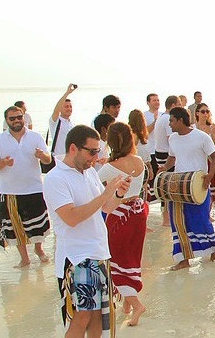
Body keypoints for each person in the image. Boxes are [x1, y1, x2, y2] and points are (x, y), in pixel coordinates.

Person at [43, 125, 132, 338]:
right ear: (73, 148)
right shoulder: (56, 178)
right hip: (76, 257)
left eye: (97, 151)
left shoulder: (89, 172)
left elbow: (106, 208)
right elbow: (71, 218)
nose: (95, 157)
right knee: (81, 317)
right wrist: (105, 195)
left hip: (99, 253)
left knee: (99, 317)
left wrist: (118, 194)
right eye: (91, 152)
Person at [97, 122, 149, 326]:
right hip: (138, 212)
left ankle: (136, 305)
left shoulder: (110, 167)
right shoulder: (139, 161)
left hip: (120, 213)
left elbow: (94, 182)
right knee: (131, 258)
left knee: (116, 260)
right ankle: (127, 305)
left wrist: (103, 165)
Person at [0, 106, 52, 268]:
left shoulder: (35, 137)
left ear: (24, 118)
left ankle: (39, 249)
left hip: (34, 188)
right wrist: (3, 163)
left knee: (37, 225)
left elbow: (48, 160)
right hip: (8, 191)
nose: (16, 121)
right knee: (15, 228)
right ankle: (25, 258)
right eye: (12, 118)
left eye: (19, 117)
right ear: (6, 121)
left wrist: (42, 155)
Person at [158, 107, 215, 270]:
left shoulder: (202, 137)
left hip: (197, 185)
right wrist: (164, 167)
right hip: (178, 184)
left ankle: (214, 249)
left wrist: (210, 175)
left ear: (181, 120)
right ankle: (183, 259)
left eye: (172, 120)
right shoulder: (173, 138)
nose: (170, 124)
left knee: (201, 220)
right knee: (178, 221)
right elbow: (172, 158)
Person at [153, 95, 180, 227]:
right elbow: (172, 139)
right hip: (166, 154)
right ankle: (167, 218)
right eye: (179, 104)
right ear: (173, 105)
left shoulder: (161, 117)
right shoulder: (168, 119)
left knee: (165, 185)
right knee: (169, 186)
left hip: (159, 153)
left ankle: (166, 217)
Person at [49, 84, 77, 157]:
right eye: (66, 107)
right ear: (60, 109)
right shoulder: (56, 121)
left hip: (70, 158)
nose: (69, 109)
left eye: (70, 106)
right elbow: (56, 110)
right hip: (58, 158)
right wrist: (67, 93)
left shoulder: (72, 124)